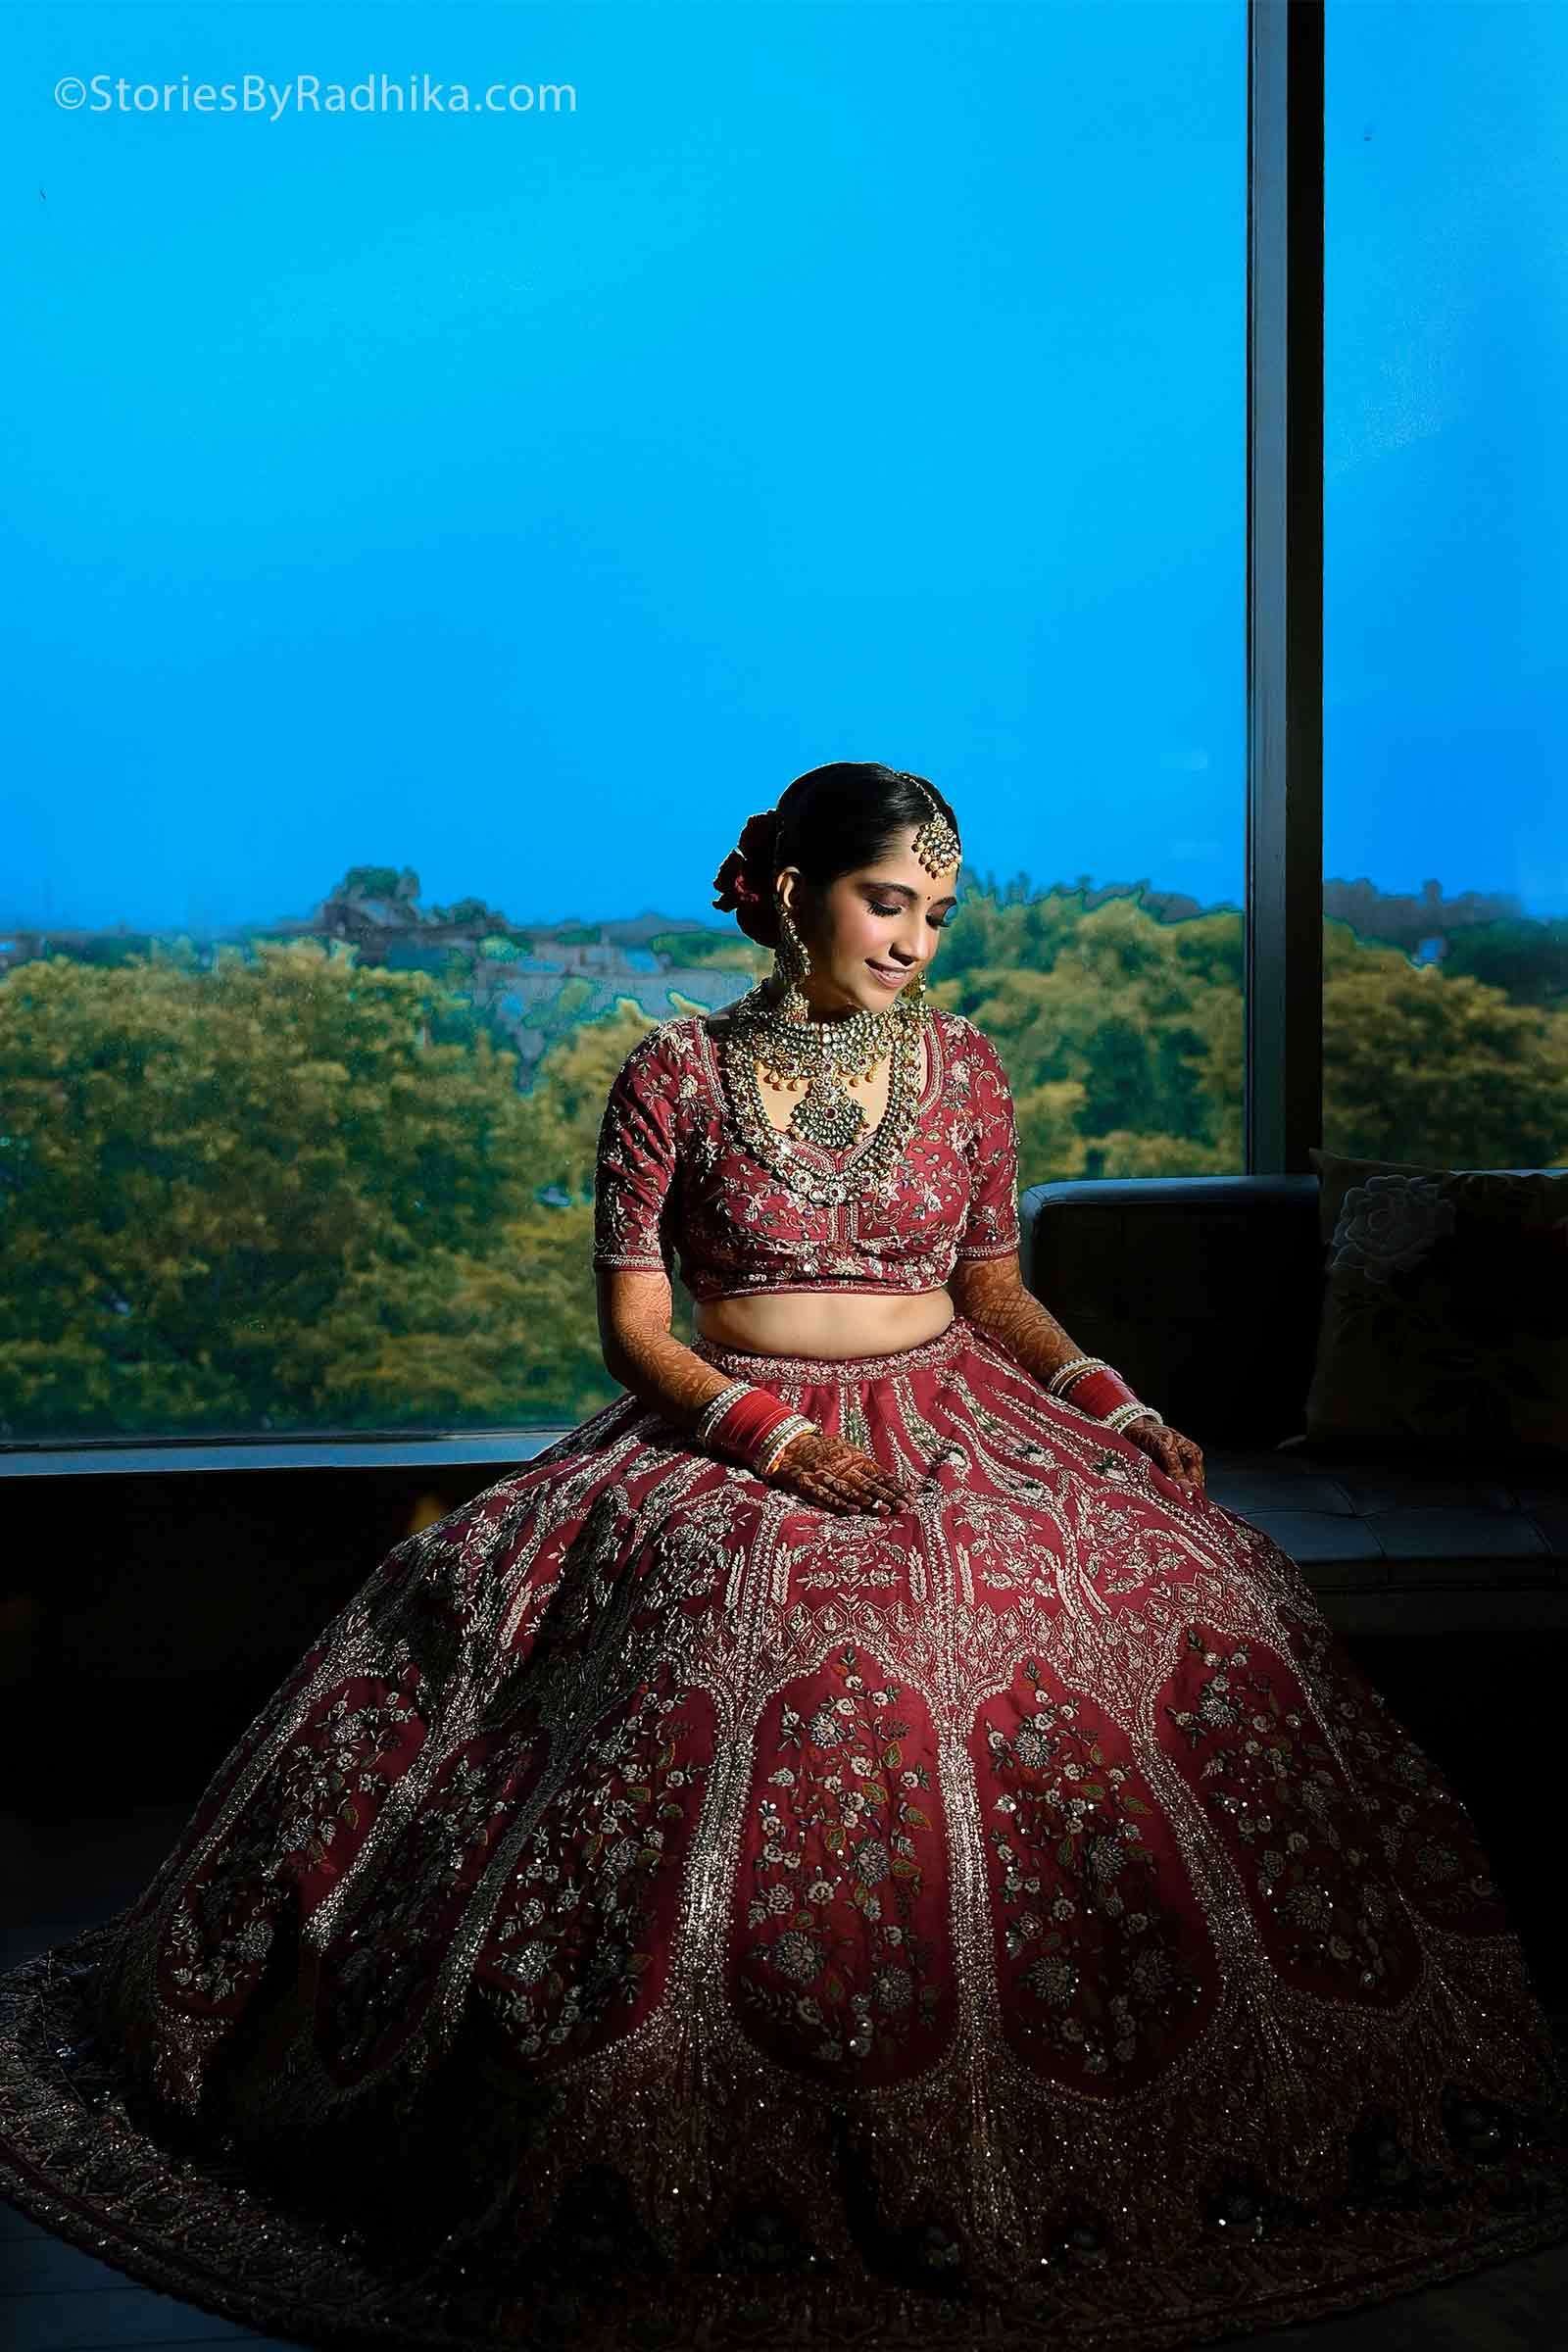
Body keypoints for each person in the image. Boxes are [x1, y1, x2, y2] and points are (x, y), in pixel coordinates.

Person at [0, 760, 1564, 2352]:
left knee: (1180, 1581)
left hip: (958, 1412)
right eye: (889, 903)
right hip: (728, 1426)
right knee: (726, 1629)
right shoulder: (672, 1073)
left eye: (937, 913)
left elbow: (996, 1289)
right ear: (795, 891)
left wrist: (1114, 1402)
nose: (915, 943)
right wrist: (776, 1443)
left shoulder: (966, 1066)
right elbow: (634, 1332)